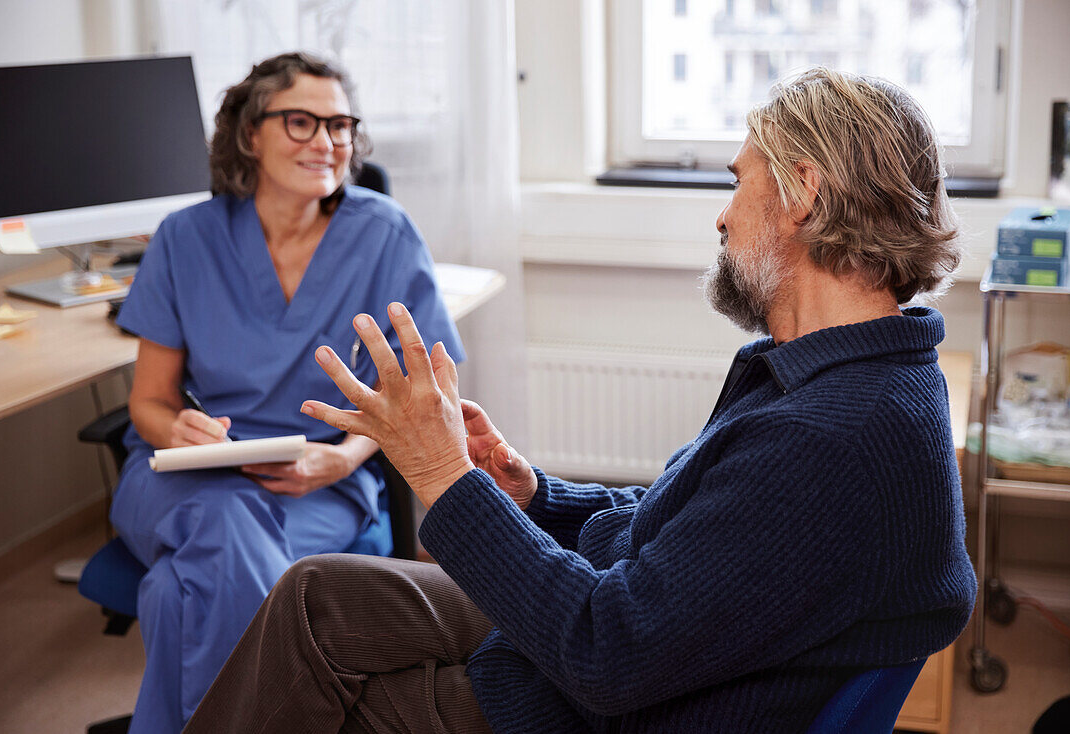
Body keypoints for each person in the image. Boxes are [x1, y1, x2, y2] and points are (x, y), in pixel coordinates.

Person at [184, 68, 977, 733]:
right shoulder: (829, 377)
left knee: (320, 701)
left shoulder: (829, 440)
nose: (724, 214)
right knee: (316, 593)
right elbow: (692, 539)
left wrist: (441, 477)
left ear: (803, 190)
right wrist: (534, 494)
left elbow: (605, 653)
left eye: (739, 182)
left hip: (579, 701)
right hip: (623, 642)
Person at [110, 51, 464, 733]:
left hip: (315, 484)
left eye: (340, 125)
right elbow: (148, 402)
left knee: (172, 595)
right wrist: (176, 430)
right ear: (250, 134)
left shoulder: (383, 234)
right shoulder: (184, 239)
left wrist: (342, 458)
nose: (326, 142)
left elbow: (422, 394)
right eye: (300, 121)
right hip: (178, 480)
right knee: (221, 517)